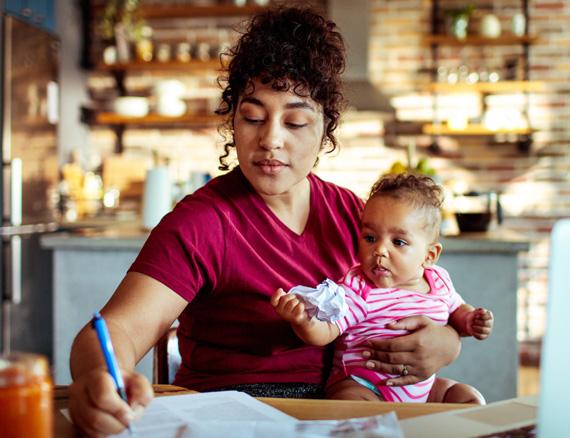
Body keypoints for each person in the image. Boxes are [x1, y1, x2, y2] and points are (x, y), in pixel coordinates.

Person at [68, 6, 462, 436]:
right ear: (233, 119)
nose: (271, 139)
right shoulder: (202, 222)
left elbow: (418, 297)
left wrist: (448, 343)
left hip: (339, 410)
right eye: (253, 117)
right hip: (231, 414)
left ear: (325, 127)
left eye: (295, 121)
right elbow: (115, 330)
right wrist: (98, 379)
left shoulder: (357, 216)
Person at [272, 173, 494, 404]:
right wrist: (303, 321)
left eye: (398, 242)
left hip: (421, 390)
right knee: (350, 403)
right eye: (370, 238)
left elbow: (457, 311)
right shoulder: (358, 287)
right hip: (364, 384)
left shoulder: (438, 281)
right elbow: (327, 331)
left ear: (429, 256)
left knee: (469, 398)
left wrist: (471, 319)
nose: (379, 250)